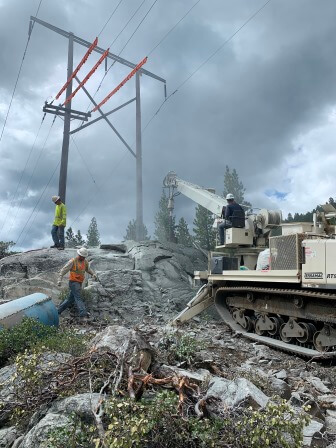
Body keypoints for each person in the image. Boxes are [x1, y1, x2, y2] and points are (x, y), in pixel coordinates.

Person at [57, 247, 97, 318]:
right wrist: (59, 279)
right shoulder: (73, 261)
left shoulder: (85, 262)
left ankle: (58, 311)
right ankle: (83, 313)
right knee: (78, 297)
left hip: (79, 283)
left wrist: (93, 274)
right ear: (79, 255)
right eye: (82, 256)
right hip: (73, 282)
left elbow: (88, 269)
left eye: (84, 257)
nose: (83, 258)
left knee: (70, 299)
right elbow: (63, 270)